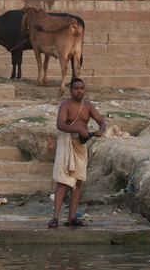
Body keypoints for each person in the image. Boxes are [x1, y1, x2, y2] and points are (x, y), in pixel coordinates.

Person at [48, 78, 106, 228]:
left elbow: (102, 121)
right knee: (63, 180)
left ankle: (71, 218)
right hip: (67, 142)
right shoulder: (65, 105)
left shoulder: (88, 106)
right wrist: (78, 130)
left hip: (81, 145)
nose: (79, 91)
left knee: (78, 181)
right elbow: (60, 124)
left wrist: (100, 131)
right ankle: (55, 218)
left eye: (82, 88)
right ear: (71, 90)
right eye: (76, 88)